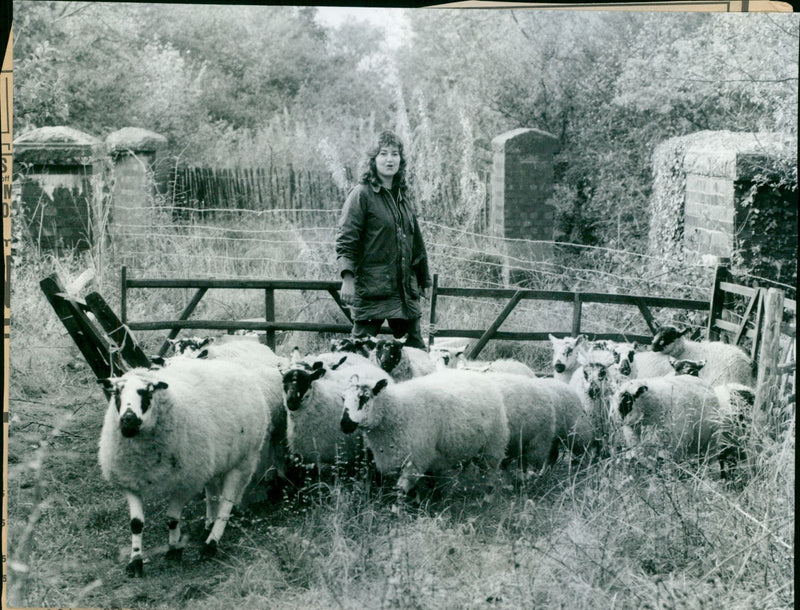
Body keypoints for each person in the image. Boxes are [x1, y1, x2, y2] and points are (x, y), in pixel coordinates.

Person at [335, 130, 431, 350]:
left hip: (404, 292)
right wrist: (347, 279)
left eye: (395, 154)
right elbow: (346, 240)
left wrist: (423, 280)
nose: (390, 159)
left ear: (401, 159)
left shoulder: (403, 196)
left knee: (415, 352)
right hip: (373, 290)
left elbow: (416, 243)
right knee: (359, 352)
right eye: (384, 154)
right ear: (373, 159)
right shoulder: (361, 195)